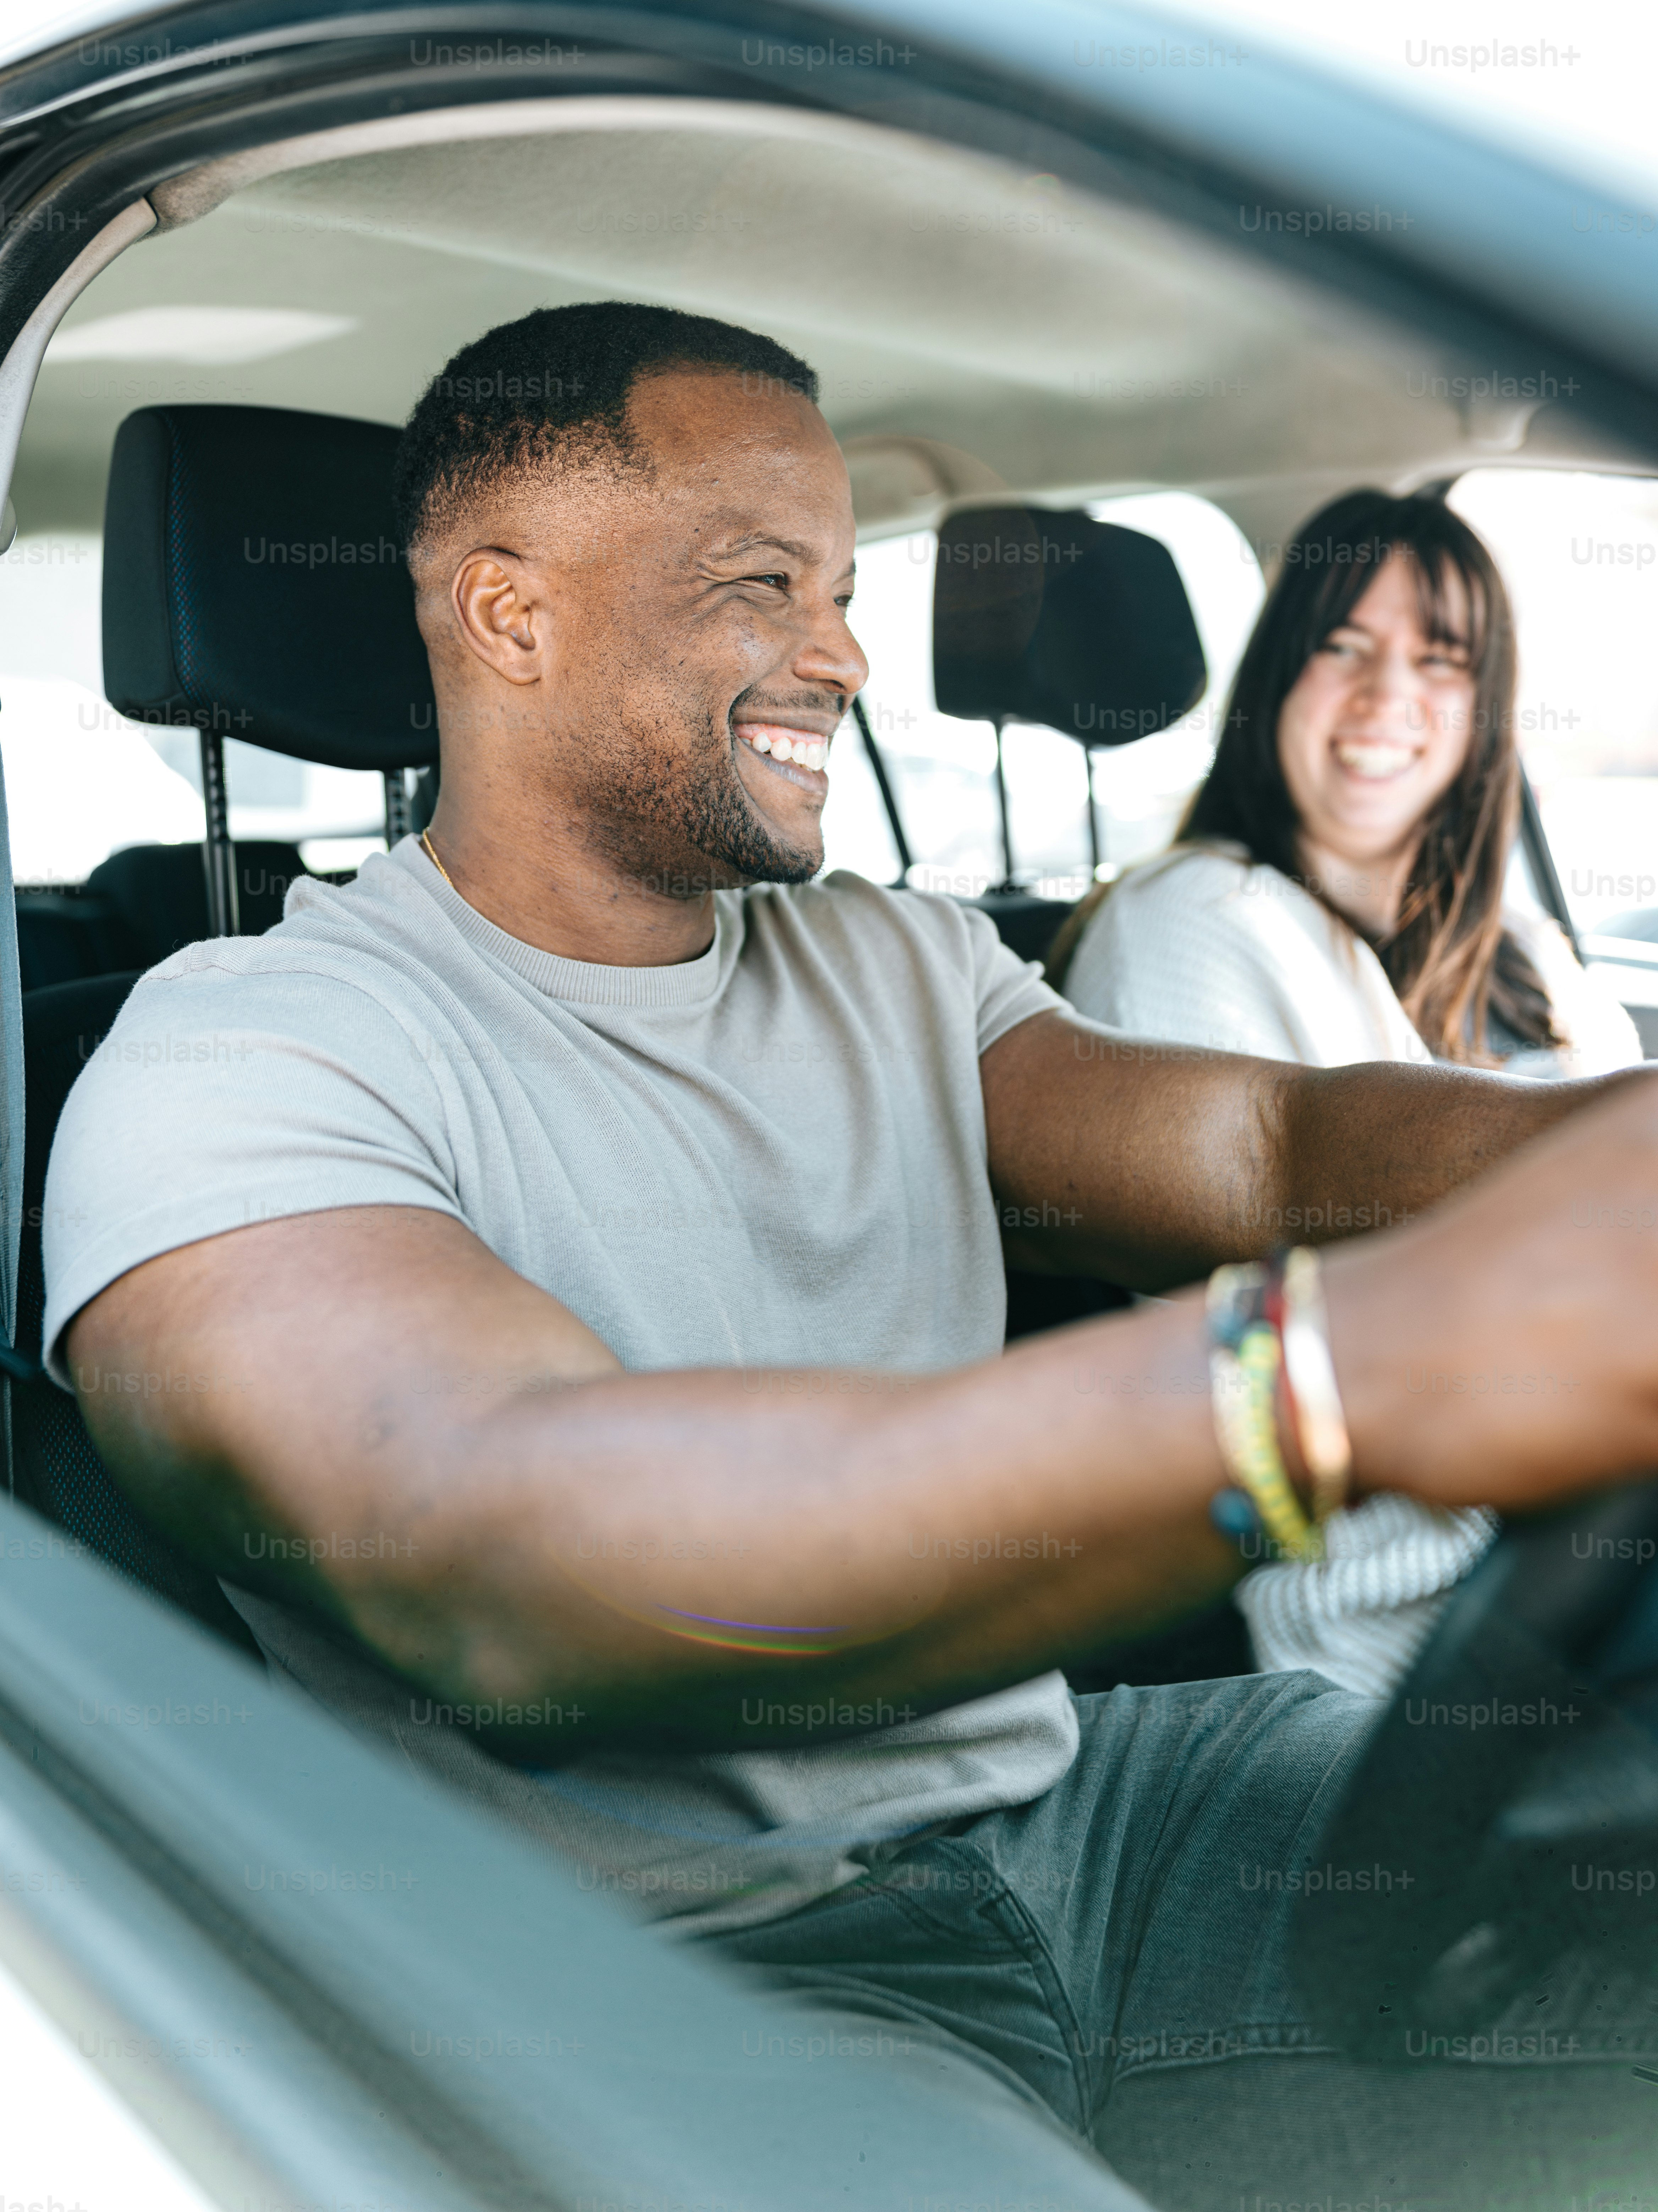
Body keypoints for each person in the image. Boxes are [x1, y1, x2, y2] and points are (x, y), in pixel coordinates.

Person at [42, 304, 1658, 2210]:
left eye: (846, 586)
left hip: (1085, 1811)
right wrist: (1332, 1379)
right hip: (689, 1970)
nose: (845, 654)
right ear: (509, 616)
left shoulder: (885, 958)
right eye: (761, 584)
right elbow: (498, 1542)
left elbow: (1272, 1140)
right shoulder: (246, 1054)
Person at [1051, 491, 1643, 1699]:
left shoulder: (1520, 944)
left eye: (1442, 659)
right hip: (1409, 1589)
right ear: (1279, 678)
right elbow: (1238, 1331)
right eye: (1344, 649)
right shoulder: (1192, 917)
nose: (1388, 700)